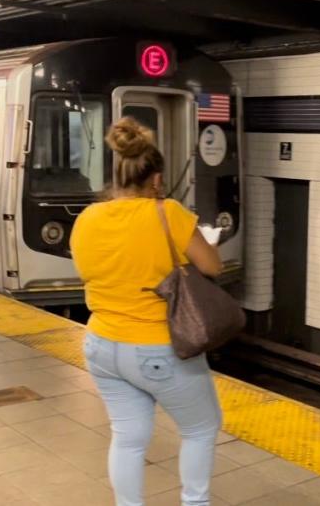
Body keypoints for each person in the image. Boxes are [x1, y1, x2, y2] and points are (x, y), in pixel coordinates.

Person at [70, 118, 223, 506]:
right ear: (156, 180)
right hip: (157, 348)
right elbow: (212, 266)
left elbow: (92, 271)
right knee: (201, 428)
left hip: (101, 345)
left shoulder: (87, 218)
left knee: (129, 436)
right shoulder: (167, 212)